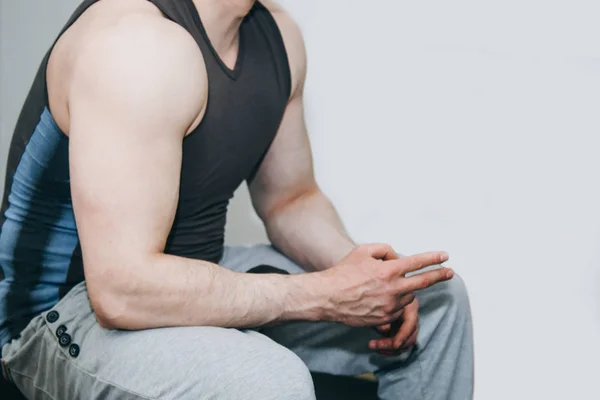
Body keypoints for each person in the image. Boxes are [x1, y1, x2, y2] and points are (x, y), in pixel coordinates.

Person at [0, 0, 473, 399]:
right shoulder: (136, 45)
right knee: (266, 382)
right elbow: (122, 290)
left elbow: (291, 199)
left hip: (192, 273)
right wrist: (323, 295)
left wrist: (363, 276)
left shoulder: (277, 37)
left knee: (432, 300)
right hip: (61, 315)